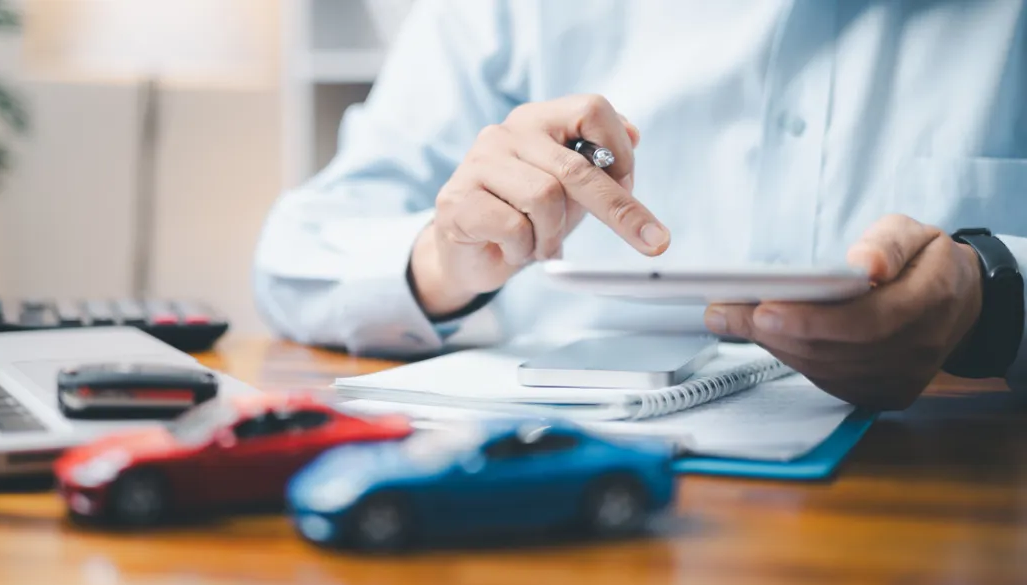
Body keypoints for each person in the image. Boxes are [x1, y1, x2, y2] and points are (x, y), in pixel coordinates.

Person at [253, 0, 1027, 409]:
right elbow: (296, 255)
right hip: (557, 487)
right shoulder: (506, 10)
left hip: (947, 484)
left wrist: (994, 299)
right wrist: (444, 258)